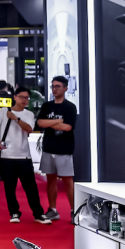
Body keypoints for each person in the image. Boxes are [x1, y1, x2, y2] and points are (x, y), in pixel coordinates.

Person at [0, 86, 52, 225]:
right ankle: (14, 212)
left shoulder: (28, 114)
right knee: (9, 188)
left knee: (31, 188)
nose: (24, 100)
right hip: (6, 156)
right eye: (21, 97)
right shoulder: (3, 112)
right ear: (15, 97)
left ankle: (38, 214)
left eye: (26, 98)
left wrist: (16, 119)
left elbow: (29, 129)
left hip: (24, 156)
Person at [36, 76, 77, 221]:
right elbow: (40, 123)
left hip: (64, 148)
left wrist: (50, 123)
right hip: (49, 147)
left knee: (67, 181)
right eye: (53, 86)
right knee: (50, 179)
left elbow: (68, 127)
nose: (55, 89)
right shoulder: (47, 106)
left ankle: (74, 211)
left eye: (58, 86)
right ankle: (52, 209)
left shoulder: (70, 107)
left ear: (65, 88)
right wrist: (58, 121)